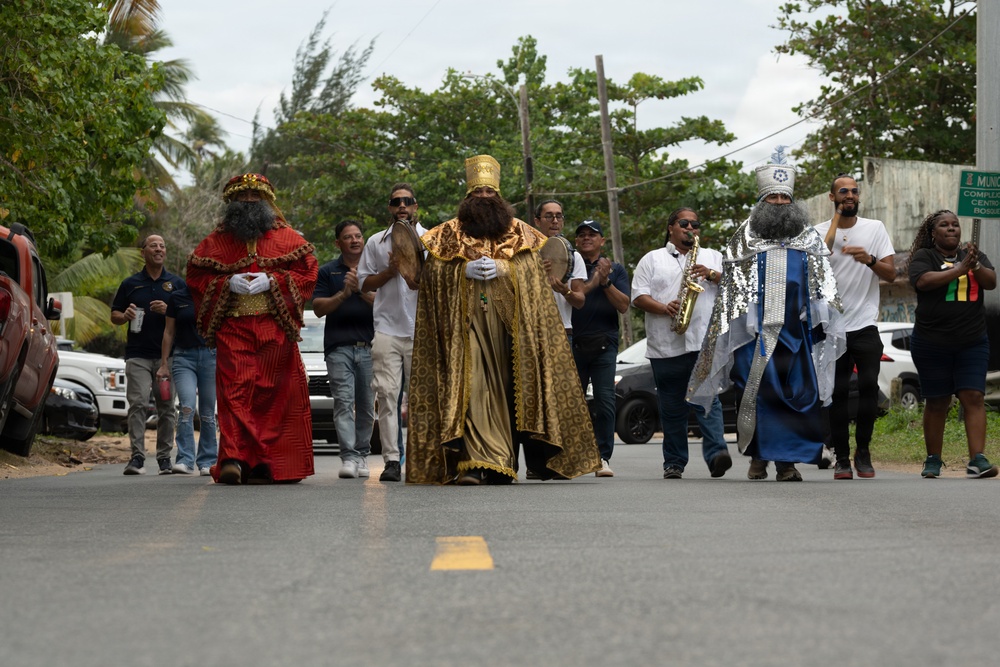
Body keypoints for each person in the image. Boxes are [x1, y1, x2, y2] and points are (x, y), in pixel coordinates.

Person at [406, 154, 600, 485]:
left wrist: (505, 268)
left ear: (498, 196)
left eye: (489, 192)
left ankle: (503, 465)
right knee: (475, 389)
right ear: (468, 196)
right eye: (477, 192)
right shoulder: (446, 234)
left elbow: (535, 277)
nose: (484, 197)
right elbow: (431, 277)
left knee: (512, 393)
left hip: (512, 331)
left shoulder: (522, 233)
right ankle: (476, 464)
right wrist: (461, 271)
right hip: (466, 331)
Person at [688, 148, 844, 481]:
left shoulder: (809, 240)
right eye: (772, 196)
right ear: (761, 201)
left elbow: (822, 286)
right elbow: (732, 290)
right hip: (754, 336)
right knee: (757, 393)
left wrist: (818, 318)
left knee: (797, 395)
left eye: (784, 197)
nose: (779, 202)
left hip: (795, 334)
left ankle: (786, 461)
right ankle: (761, 456)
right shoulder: (742, 240)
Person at [186, 173, 318, 485]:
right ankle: (234, 458)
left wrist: (274, 281)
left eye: (254, 195)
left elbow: (309, 274)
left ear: (266, 200)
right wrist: (226, 282)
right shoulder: (215, 242)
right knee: (234, 392)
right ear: (231, 201)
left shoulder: (287, 238)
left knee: (272, 396)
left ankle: (267, 463)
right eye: (241, 196)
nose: (248, 201)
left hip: (274, 329)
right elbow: (195, 277)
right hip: (234, 328)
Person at [631, 207, 731, 479]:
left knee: (708, 401)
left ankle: (717, 455)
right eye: (684, 223)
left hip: (703, 343)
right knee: (672, 407)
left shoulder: (713, 256)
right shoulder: (652, 259)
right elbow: (638, 296)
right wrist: (664, 308)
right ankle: (674, 463)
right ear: (671, 228)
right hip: (666, 346)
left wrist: (711, 274)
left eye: (695, 225)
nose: (691, 228)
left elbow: (734, 286)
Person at [815, 173, 895, 480]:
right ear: (832, 197)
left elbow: (891, 274)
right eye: (843, 191)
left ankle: (863, 450)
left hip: (864, 323)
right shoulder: (819, 232)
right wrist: (836, 220)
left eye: (854, 191)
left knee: (868, 386)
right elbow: (820, 257)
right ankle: (842, 458)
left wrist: (869, 259)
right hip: (832, 326)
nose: (850, 195)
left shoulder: (875, 228)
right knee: (836, 393)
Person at [906, 210, 997, 479]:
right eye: (944, 225)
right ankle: (933, 459)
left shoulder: (973, 255)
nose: (951, 228)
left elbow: (991, 282)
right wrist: (959, 269)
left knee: (974, 396)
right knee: (938, 401)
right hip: (931, 342)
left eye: (955, 225)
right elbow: (923, 281)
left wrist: (974, 265)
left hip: (972, 341)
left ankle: (977, 459)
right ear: (933, 233)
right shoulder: (925, 257)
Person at [357, 184, 427, 483]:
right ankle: (392, 461)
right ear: (389, 207)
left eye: (407, 201)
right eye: (396, 201)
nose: (402, 206)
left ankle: (422, 458)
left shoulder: (431, 239)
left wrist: (417, 275)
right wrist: (391, 271)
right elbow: (364, 283)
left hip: (421, 329)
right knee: (387, 396)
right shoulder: (376, 241)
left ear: (415, 206)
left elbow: (441, 284)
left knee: (423, 398)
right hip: (387, 329)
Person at [111, 234, 182, 476]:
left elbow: (188, 316)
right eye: (153, 246)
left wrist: (169, 310)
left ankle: (164, 458)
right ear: (143, 252)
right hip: (138, 355)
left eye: (162, 246)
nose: (159, 249)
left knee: (167, 407)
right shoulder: (130, 284)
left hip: (167, 358)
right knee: (138, 404)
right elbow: (114, 315)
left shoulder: (176, 283)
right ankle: (137, 458)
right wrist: (125, 316)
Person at [312, 220, 376, 480]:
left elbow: (385, 306)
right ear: (338, 243)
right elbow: (318, 308)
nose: (355, 240)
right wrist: (343, 293)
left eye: (358, 235)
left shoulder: (375, 271)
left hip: (370, 348)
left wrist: (360, 290)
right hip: (338, 349)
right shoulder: (328, 272)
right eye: (348, 237)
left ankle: (362, 455)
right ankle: (348, 457)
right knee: (343, 403)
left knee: (367, 406)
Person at [572, 219, 631, 477]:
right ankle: (574, 457)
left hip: (605, 342)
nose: (587, 238)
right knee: (572, 402)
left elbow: (624, 305)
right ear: (576, 241)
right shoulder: (570, 266)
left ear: (602, 240)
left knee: (605, 400)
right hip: (572, 341)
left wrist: (605, 281)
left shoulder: (615, 269)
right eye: (582, 235)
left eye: (592, 234)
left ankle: (602, 457)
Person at [157, 285, 217, 476]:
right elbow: (168, 332)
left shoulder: (216, 295)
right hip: (184, 357)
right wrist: (164, 363)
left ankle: (208, 461)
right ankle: (185, 459)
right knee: (187, 407)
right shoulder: (177, 297)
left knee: (207, 412)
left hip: (211, 355)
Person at [534, 199, 586, 339]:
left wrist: (565, 291)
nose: (555, 221)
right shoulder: (526, 255)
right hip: (530, 331)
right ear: (537, 221)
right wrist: (534, 272)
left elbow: (580, 301)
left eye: (559, 216)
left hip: (562, 331)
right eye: (549, 216)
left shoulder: (574, 257)